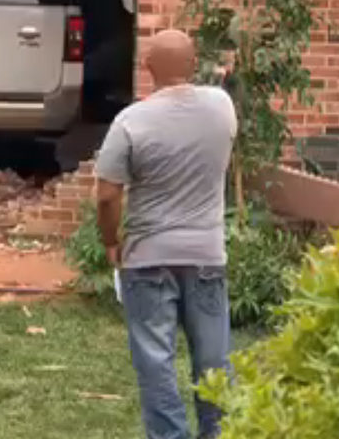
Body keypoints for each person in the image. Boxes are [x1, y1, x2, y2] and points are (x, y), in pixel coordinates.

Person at [95, 29, 237, 439]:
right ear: (193, 65)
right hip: (207, 255)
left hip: (148, 257)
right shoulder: (221, 107)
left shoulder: (130, 122)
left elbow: (106, 195)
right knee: (213, 363)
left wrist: (111, 241)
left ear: (147, 68)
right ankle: (220, 432)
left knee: (156, 363)